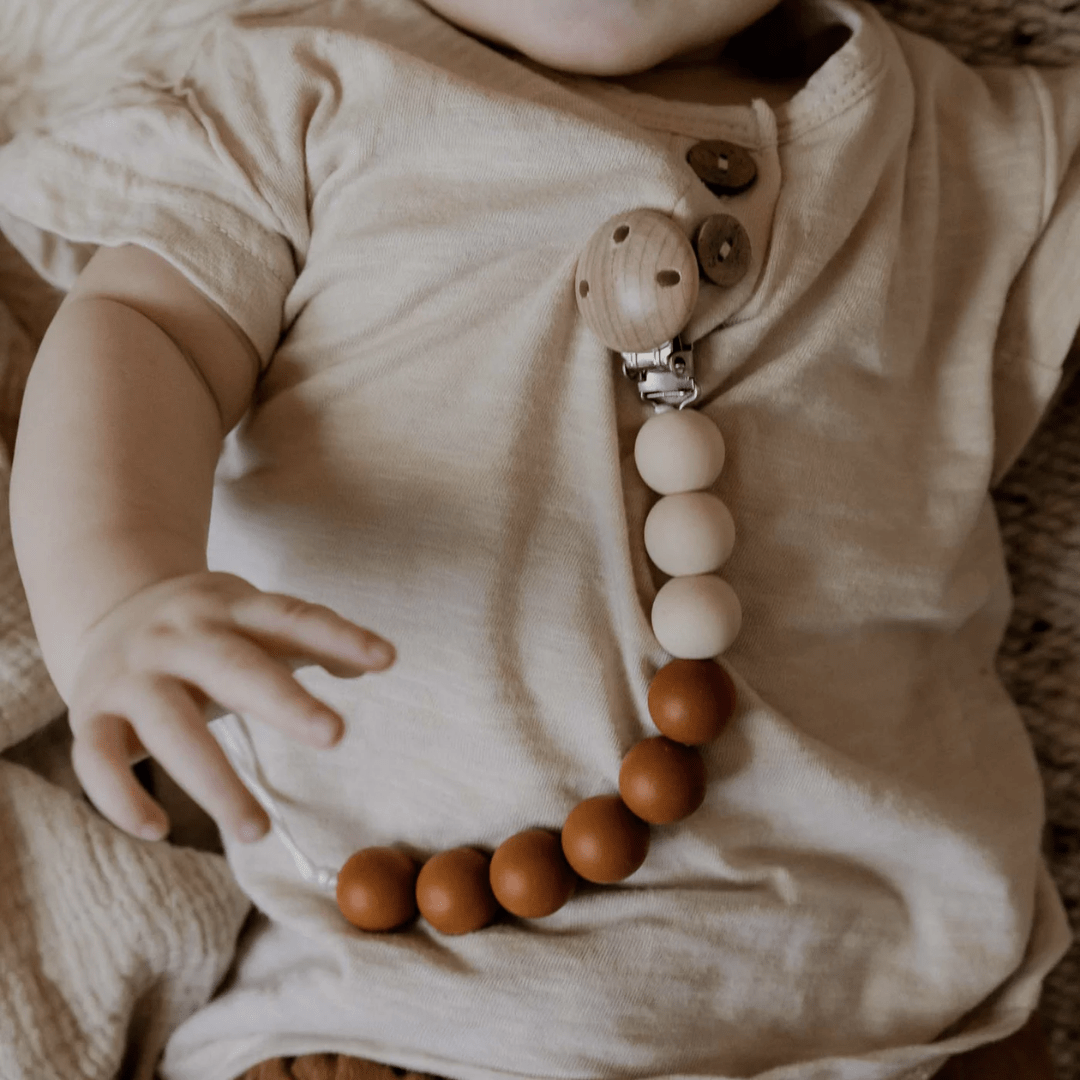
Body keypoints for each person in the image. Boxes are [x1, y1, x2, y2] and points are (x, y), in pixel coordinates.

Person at [0, 0, 1077, 1077]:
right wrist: (114, 593)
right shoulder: (308, 86)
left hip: (909, 1016)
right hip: (414, 1019)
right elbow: (147, 334)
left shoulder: (964, 144)